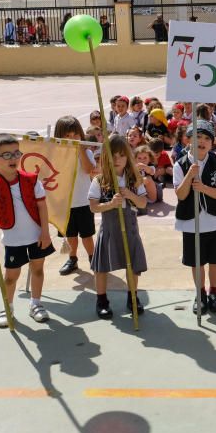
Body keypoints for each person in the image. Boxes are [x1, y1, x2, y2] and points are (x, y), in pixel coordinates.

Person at [0, 132, 54, 328]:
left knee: (37, 269)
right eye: (6, 155)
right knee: (11, 276)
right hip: (13, 238)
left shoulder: (31, 179)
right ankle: (7, 306)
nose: (13, 158)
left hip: (36, 234)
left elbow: (42, 206)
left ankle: (36, 304)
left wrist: (45, 232)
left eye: (16, 153)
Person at [174, 120, 216, 315]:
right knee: (197, 262)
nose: (203, 141)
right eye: (198, 136)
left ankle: (215, 293)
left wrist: (204, 188)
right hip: (191, 222)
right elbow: (180, 195)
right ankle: (201, 294)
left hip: (214, 220)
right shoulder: (180, 165)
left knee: (215, 260)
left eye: (207, 138)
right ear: (188, 140)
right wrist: (189, 176)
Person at [89, 134, 148, 319]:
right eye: (113, 155)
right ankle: (102, 300)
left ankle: (132, 298)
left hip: (130, 227)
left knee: (132, 264)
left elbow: (143, 203)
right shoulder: (100, 180)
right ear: (106, 157)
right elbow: (93, 206)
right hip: (109, 227)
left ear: (127, 156)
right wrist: (110, 205)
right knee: (102, 266)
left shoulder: (134, 178)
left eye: (121, 155)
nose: (117, 159)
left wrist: (130, 194)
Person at [54, 116, 98, 276]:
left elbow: (88, 170)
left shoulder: (85, 151)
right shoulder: (56, 153)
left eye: (75, 135)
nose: (72, 139)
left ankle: (93, 258)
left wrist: (80, 150)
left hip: (83, 200)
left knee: (87, 234)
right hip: (65, 202)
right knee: (70, 234)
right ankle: (72, 259)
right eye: (68, 136)